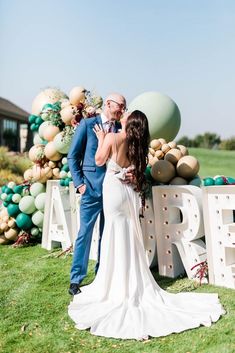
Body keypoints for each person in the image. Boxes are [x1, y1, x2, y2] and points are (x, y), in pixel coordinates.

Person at [68, 110, 225, 340]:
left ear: (128, 122)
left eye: (126, 113)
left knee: (112, 234)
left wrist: (102, 140)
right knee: (129, 236)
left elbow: (100, 160)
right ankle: (130, 280)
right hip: (128, 193)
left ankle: (114, 284)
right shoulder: (139, 148)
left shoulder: (112, 138)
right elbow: (139, 174)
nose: (123, 113)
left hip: (113, 191)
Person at [67, 93, 127, 296]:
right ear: (109, 104)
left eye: (124, 107)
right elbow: (73, 156)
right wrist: (80, 185)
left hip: (114, 191)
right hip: (91, 190)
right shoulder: (87, 124)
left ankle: (102, 275)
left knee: (107, 235)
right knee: (85, 233)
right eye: (120, 106)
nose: (122, 110)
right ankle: (76, 279)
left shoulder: (121, 130)